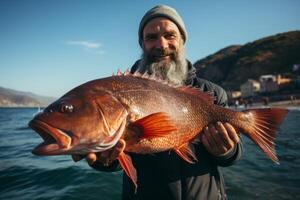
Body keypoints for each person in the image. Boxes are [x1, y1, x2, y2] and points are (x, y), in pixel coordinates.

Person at [72, 5, 242, 200]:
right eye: (151, 37)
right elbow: (117, 160)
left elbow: (234, 155)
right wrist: (104, 158)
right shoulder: (121, 92)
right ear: (142, 44)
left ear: (182, 41)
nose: (161, 44)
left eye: (170, 35)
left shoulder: (212, 93)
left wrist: (226, 151)